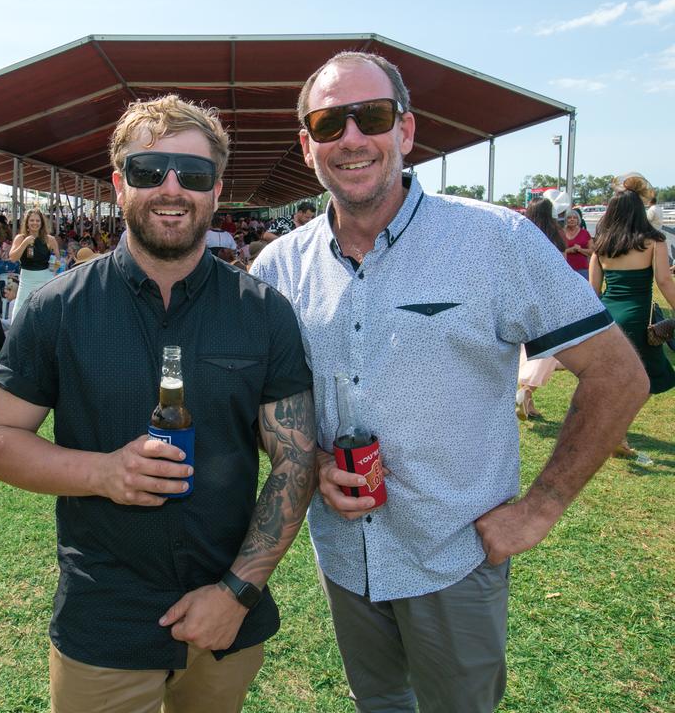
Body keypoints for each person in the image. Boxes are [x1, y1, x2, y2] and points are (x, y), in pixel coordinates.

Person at [252, 51, 648, 713]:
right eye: (328, 124)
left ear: (405, 132)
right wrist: (314, 461)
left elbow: (618, 375)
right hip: (346, 561)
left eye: (370, 117)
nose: (350, 138)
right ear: (307, 145)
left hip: (453, 560)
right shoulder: (277, 268)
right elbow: (264, 405)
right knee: (378, 704)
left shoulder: (494, 241)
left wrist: (541, 506)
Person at [0, 94, 317, 713]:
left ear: (215, 192)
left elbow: (295, 462)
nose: (171, 187)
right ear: (117, 183)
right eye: (147, 170)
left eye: (194, 174)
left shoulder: (262, 312)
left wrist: (237, 592)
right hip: (102, 615)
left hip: (224, 616)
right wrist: (102, 473)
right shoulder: (57, 309)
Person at [589, 173, 675, 465]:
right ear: (639, 211)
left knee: (617, 379)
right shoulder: (654, 241)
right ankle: (617, 433)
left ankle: (615, 434)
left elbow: (593, 292)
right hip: (638, 318)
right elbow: (664, 281)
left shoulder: (601, 244)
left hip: (608, 318)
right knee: (652, 377)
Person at [515, 199, 567, 419]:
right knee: (546, 351)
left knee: (524, 350)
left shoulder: (518, 233)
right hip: (547, 298)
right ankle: (526, 391)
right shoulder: (555, 237)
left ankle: (527, 399)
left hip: (520, 297)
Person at [7, 209, 59, 319]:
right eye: (32, 220)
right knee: (19, 313)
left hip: (45, 279)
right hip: (26, 280)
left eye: (37, 220)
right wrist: (25, 243)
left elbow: (58, 261)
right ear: (27, 222)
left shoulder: (50, 239)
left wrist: (54, 267)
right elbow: (12, 258)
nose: (35, 223)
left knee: (44, 313)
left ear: (42, 223)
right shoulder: (20, 238)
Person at [561, 208, 593, 278]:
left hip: (582, 269)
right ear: (566, 220)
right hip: (565, 269)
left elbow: (592, 251)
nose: (572, 219)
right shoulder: (561, 233)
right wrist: (569, 250)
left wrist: (580, 250)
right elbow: (556, 251)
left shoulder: (585, 233)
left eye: (575, 218)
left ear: (578, 220)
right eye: (569, 218)